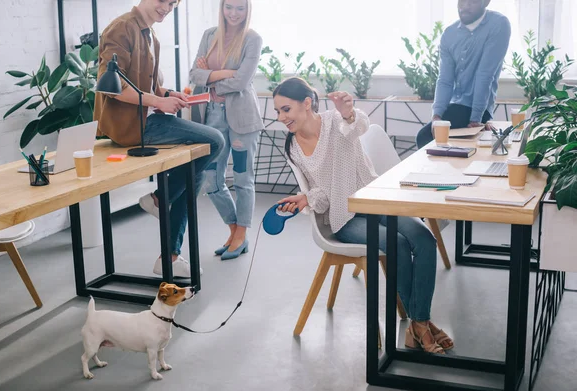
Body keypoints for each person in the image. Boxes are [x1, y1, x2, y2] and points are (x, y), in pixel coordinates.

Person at [274, 77, 453, 354]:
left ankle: (419, 323)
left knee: (425, 239)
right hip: (345, 219)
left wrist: (347, 111)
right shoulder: (293, 148)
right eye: (278, 112)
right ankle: (421, 325)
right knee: (399, 245)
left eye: (285, 110)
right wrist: (305, 198)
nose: (281, 118)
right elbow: (321, 196)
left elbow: (359, 126)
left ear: (306, 104)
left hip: (376, 201)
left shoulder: (336, 122)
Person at [94, 0, 225, 277]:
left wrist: (168, 95)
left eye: (173, 4)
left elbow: (147, 87)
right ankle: (157, 198)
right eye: (163, 1)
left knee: (193, 172)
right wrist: (157, 101)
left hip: (149, 118)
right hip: (134, 126)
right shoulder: (121, 29)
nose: (166, 8)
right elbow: (112, 88)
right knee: (214, 141)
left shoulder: (150, 34)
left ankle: (170, 256)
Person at [189, 0, 264, 261]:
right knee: (210, 179)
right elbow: (194, 74)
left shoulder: (252, 39)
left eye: (240, 8)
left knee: (243, 178)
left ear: (247, 10)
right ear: (222, 7)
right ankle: (234, 230)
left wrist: (211, 76)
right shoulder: (209, 36)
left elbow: (243, 80)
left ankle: (241, 234)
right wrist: (225, 73)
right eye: (229, 7)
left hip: (243, 118)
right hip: (212, 117)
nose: (233, 13)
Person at [416, 0, 511, 149]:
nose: (464, 6)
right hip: (455, 106)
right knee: (428, 137)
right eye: (461, 1)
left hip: (479, 109)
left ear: (485, 3)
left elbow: (485, 74)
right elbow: (445, 80)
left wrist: (476, 119)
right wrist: (437, 116)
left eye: (472, 2)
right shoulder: (449, 34)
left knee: (425, 137)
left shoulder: (499, 24)